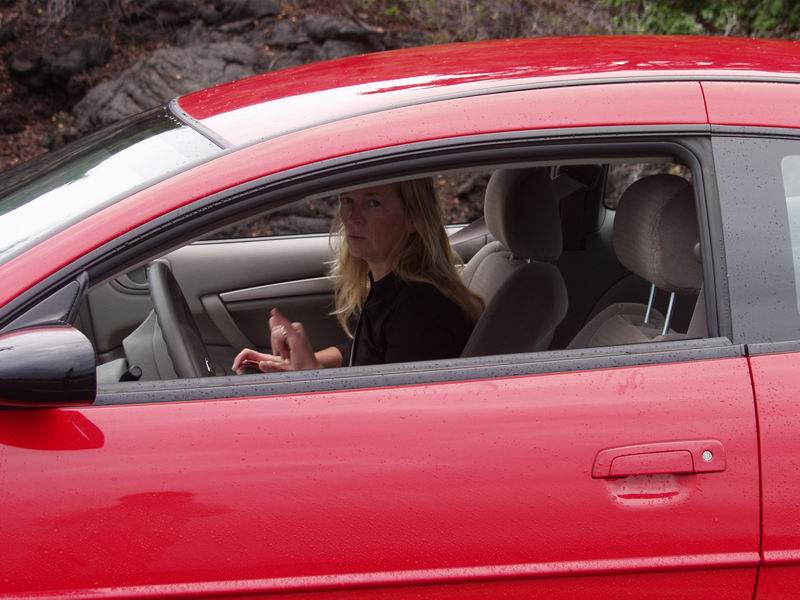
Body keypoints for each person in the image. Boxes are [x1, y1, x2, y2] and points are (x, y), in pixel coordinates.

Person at [232, 178, 484, 373]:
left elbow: (393, 420)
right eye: (346, 200)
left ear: (414, 217)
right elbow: (363, 353)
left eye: (372, 203)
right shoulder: (394, 286)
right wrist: (301, 362)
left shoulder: (423, 313)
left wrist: (310, 373)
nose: (352, 217)